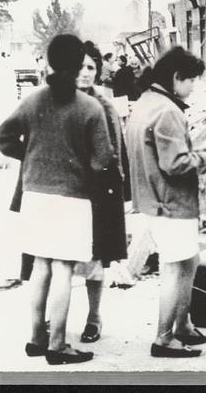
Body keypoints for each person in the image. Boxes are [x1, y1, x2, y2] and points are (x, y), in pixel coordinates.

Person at [0, 34, 113, 365]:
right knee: (63, 268)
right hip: (73, 197)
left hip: (34, 196)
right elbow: (104, 158)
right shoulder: (90, 107)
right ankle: (58, 345)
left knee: (40, 265)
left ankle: (35, 337)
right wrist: (83, 167)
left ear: (49, 62)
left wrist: (30, 157)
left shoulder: (32, 101)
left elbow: (1, 137)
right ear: (77, 65)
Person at [125, 46, 206, 358]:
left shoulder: (145, 104)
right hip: (171, 202)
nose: (194, 87)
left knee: (188, 260)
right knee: (176, 267)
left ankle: (183, 324)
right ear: (176, 78)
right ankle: (164, 337)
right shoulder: (168, 111)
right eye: (191, 80)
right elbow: (176, 164)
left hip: (151, 199)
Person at [73, 41, 130, 344]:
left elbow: (114, 152)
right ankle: (51, 317)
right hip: (62, 193)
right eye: (79, 67)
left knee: (94, 259)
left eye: (91, 67)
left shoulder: (104, 106)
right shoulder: (56, 100)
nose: (84, 73)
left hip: (94, 193)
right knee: (56, 259)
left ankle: (94, 317)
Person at [0, 22, 22, 290]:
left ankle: (4, 270)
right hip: (2, 152)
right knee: (1, 215)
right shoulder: (3, 69)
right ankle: (5, 269)